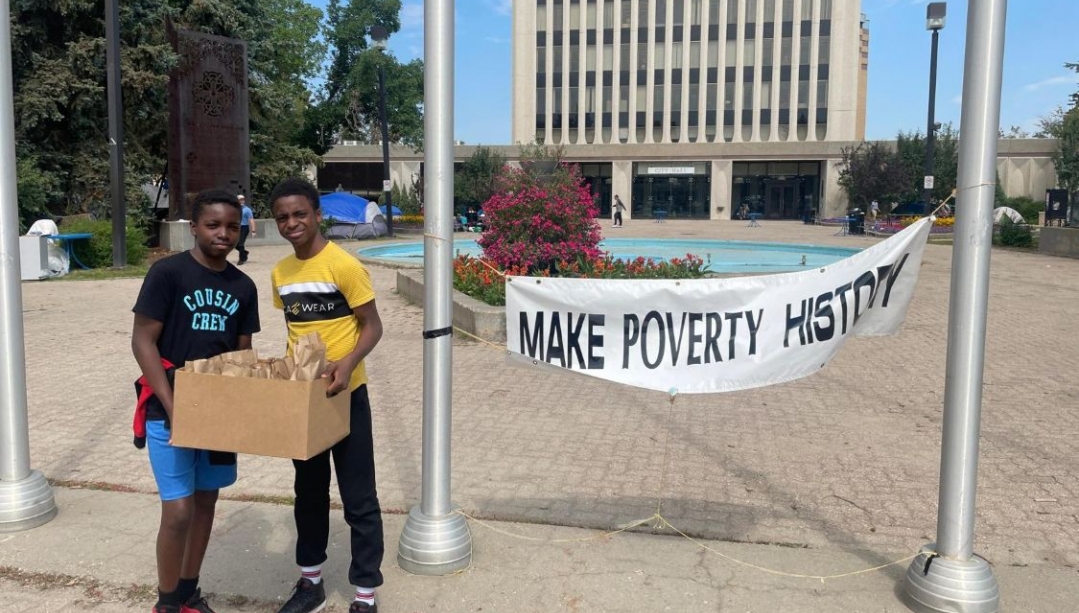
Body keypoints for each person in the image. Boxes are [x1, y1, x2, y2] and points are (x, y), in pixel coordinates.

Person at [131, 189, 261, 613]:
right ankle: (166, 604)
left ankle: (189, 593)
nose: (224, 234)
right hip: (168, 408)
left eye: (232, 226)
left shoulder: (243, 286)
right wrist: (171, 405)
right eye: (213, 225)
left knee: (206, 502)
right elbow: (143, 342)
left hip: (219, 410)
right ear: (194, 227)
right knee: (179, 510)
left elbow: (243, 353)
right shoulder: (168, 274)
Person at [269, 178, 385, 613]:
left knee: (359, 497)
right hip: (304, 398)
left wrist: (349, 362)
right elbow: (295, 331)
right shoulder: (281, 273)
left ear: (318, 215)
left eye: (300, 214)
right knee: (309, 492)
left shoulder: (344, 266)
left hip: (346, 395)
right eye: (283, 217)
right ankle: (310, 582)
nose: (292, 223)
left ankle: (365, 594)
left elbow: (372, 326)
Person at [236, 194, 256, 265]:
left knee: (241, 243)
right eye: (240, 199)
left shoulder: (247, 210)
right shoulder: (235, 209)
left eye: (243, 199)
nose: (242, 201)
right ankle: (244, 252)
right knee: (235, 244)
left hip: (244, 227)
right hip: (236, 227)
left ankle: (242, 259)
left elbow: (251, 220)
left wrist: (253, 231)